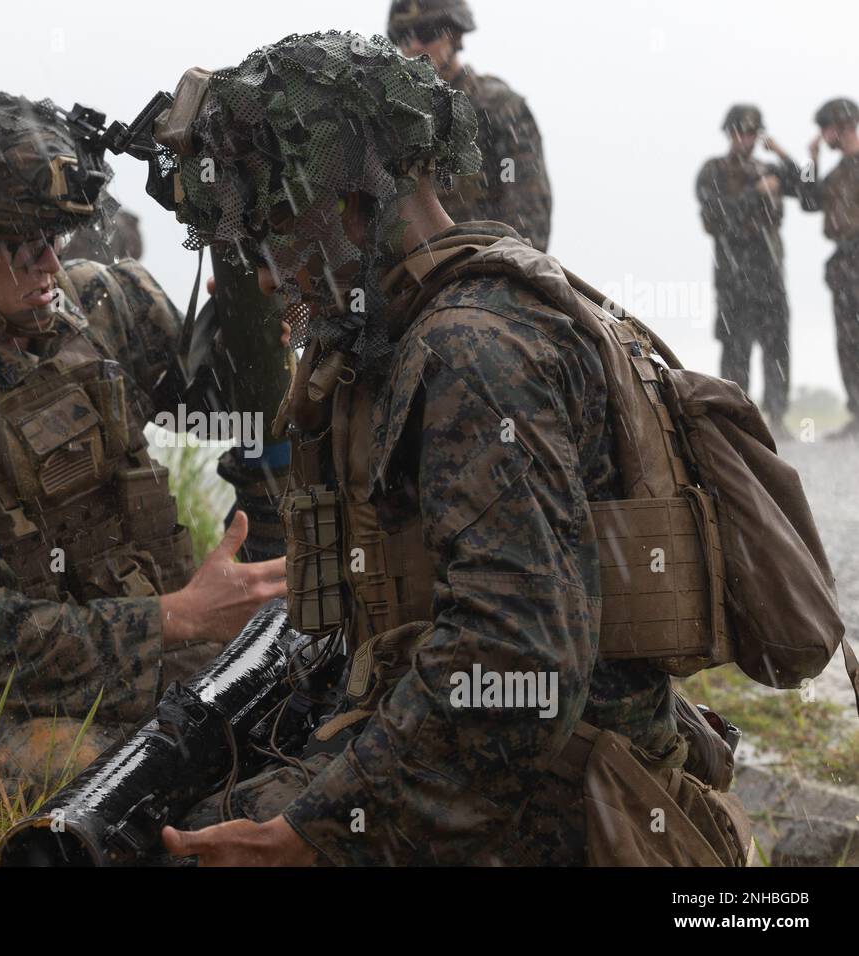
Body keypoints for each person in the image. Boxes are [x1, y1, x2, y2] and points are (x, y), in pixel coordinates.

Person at [149, 31, 747, 866]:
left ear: (356, 201)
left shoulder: (471, 350)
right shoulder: (396, 336)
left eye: (276, 230)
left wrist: (313, 832)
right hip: (493, 777)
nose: (264, 275)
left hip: (556, 807)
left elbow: (517, 672)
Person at [0, 92, 287, 800]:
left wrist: (234, 231)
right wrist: (176, 618)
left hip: (176, 658)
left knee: (313, 730)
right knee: (157, 793)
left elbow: (234, 411)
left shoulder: (99, 306)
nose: (49, 260)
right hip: (16, 712)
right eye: (20, 242)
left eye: (54, 236)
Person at [386, 0, 552, 251]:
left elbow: (529, 211)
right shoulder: (392, 118)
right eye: (404, 36)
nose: (415, 45)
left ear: (455, 34)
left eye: (427, 32)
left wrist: (501, 271)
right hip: (412, 277)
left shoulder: (498, 108)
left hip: (484, 270)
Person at [696, 105, 802, 435]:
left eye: (753, 133)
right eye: (742, 132)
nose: (747, 140)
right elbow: (716, 217)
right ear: (730, 134)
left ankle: (777, 416)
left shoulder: (767, 169)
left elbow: (805, 185)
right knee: (735, 345)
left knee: (776, 344)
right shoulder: (712, 171)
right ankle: (736, 418)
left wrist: (783, 154)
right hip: (733, 274)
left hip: (768, 271)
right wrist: (753, 195)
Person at [798, 97, 859, 439]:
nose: (822, 135)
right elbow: (808, 201)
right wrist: (811, 159)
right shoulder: (837, 173)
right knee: (849, 341)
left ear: (840, 127)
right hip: (844, 263)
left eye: (825, 129)